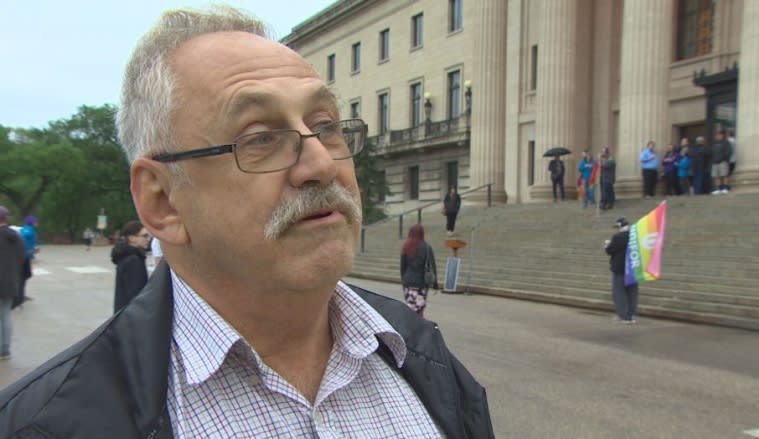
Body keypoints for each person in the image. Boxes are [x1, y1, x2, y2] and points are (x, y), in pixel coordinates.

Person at [0, 7, 494, 438]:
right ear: (162, 202)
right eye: (259, 138)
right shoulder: (45, 423)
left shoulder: (425, 358)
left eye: (326, 126)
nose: (322, 164)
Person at [0, 206, 26, 360]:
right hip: (10, 281)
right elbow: (22, 257)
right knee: (6, 314)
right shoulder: (15, 237)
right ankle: (5, 349)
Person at [604, 217, 639, 324]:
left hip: (620, 268)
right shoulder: (635, 236)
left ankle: (623, 316)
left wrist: (607, 245)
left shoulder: (618, 237)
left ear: (620, 226)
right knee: (632, 292)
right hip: (634, 267)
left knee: (619, 292)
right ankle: (631, 314)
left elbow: (609, 250)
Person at [111, 220, 151, 313]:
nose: (148, 239)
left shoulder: (126, 255)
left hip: (124, 314)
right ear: (132, 238)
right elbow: (137, 295)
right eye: (144, 236)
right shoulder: (133, 261)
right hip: (131, 317)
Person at [400, 223, 437, 318]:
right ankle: (418, 326)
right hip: (421, 282)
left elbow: (402, 266)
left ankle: (409, 325)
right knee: (419, 307)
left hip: (408, 281)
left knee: (410, 306)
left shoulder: (406, 246)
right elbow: (432, 266)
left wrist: (403, 280)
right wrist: (435, 283)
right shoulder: (427, 248)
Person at [16, 214, 38, 306]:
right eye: (36, 221)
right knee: (24, 277)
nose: (37, 223)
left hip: (24, 257)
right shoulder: (28, 230)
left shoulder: (24, 228)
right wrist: (28, 251)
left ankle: (21, 295)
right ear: (32, 222)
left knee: (24, 276)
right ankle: (19, 297)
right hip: (24, 257)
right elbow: (23, 239)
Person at [710, 129, 732, 195]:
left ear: (721, 135)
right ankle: (718, 189)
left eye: (718, 135)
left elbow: (728, 151)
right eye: (716, 135)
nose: (716, 136)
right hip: (715, 162)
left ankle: (725, 188)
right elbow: (712, 152)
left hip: (723, 161)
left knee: (724, 175)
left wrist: (725, 159)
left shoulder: (726, 142)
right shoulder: (714, 143)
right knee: (716, 176)